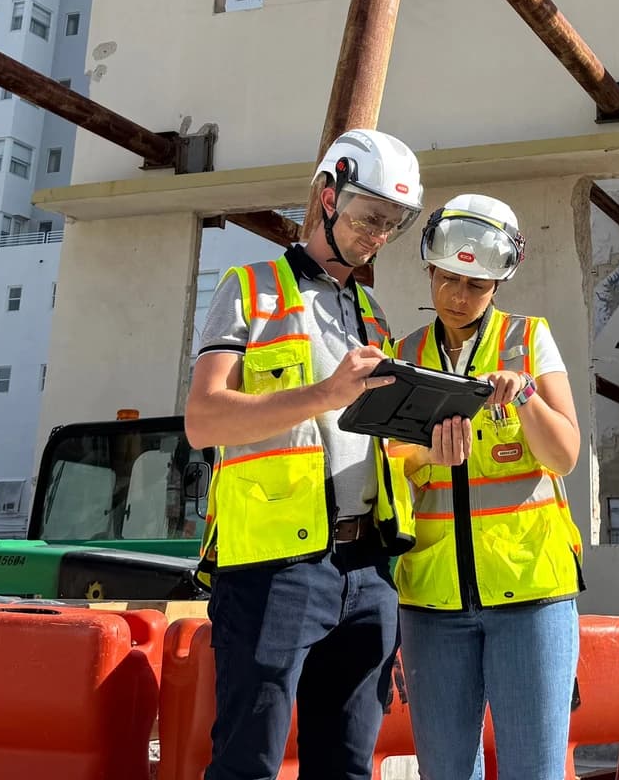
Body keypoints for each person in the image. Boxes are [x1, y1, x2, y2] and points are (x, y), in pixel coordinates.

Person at [185, 128, 424, 780]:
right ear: (327, 197)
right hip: (273, 569)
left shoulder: (372, 313)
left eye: (393, 224)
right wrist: (324, 393)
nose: (379, 235)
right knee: (248, 764)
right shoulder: (250, 289)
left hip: (368, 569)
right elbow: (203, 420)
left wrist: (434, 441)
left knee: (347, 769)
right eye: (370, 217)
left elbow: (373, 445)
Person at [391, 195, 585, 780]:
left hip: (531, 593)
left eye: (475, 285)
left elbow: (564, 454)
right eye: (447, 278)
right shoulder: (403, 355)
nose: (458, 295)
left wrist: (525, 395)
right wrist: (427, 454)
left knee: (534, 770)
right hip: (432, 599)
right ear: (430, 270)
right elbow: (387, 464)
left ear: (499, 282)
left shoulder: (529, 338)